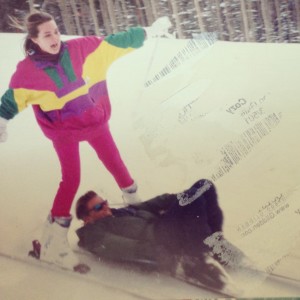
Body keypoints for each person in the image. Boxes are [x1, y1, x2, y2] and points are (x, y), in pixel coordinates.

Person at [0, 11, 172, 270]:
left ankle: (140, 211)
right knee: (71, 179)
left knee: (117, 165)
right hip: (64, 130)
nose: (55, 37)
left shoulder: (82, 49)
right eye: (47, 34)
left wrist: (148, 32)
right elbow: (11, 100)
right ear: (34, 40)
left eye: (56, 31)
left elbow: (117, 42)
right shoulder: (28, 73)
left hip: (93, 121)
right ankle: (54, 245)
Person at [75, 179, 246, 295]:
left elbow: (153, 204)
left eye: (104, 202)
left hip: (166, 227)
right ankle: (195, 259)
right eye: (98, 207)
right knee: (195, 200)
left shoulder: (121, 212)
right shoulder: (94, 233)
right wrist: (159, 255)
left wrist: (176, 199)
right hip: (161, 238)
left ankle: (213, 242)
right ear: (87, 218)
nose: (105, 207)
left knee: (204, 186)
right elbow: (123, 247)